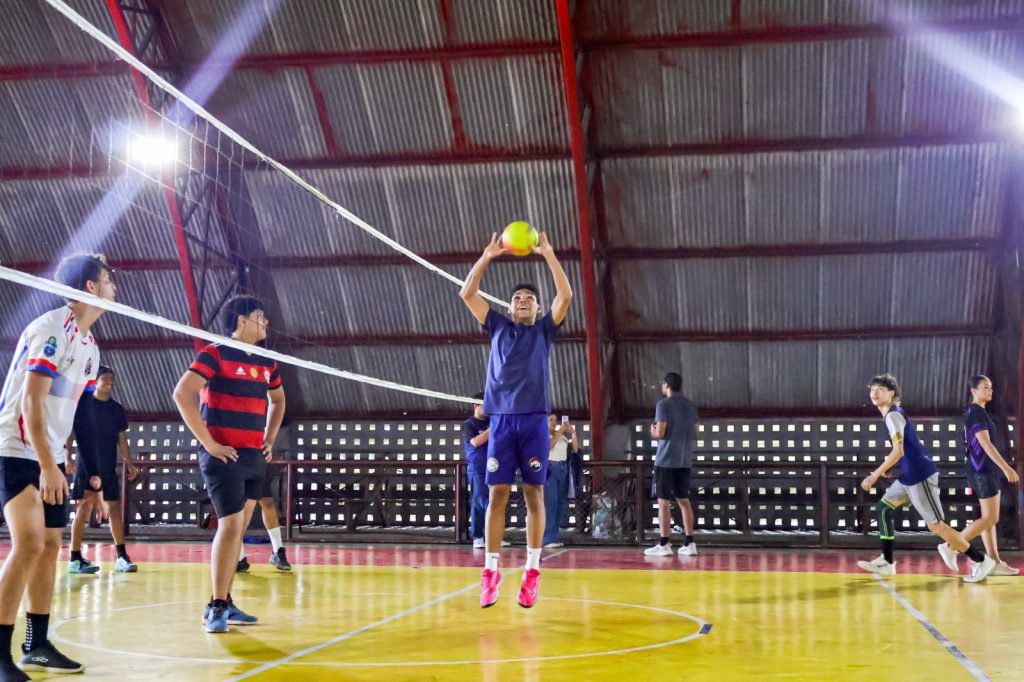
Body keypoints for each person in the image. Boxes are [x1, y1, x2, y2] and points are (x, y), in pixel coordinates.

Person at [0, 252, 115, 678]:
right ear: (90, 287)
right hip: (16, 447)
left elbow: (82, 415)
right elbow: (31, 401)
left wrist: (93, 478)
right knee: (29, 543)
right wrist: (48, 465)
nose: (114, 287)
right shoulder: (52, 328)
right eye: (108, 280)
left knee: (50, 546)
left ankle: (36, 644)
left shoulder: (91, 348)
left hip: (51, 456)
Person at [459, 230, 572, 608]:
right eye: (518, 298)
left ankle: (532, 571)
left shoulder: (544, 330)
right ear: (510, 308)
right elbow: (467, 293)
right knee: (497, 494)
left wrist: (548, 253)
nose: (523, 301)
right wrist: (487, 256)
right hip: (502, 422)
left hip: (534, 421)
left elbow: (565, 296)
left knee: (534, 494)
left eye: (530, 299)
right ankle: (490, 572)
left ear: (537, 309)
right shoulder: (497, 326)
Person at [172, 296, 286, 633]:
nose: (266, 321)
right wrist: (209, 443)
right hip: (224, 455)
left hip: (252, 455)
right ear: (241, 320)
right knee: (231, 526)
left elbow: (278, 400)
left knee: (239, 528)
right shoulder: (215, 353)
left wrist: (269, 438)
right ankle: (217, 606)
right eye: (260, 315)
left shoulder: (268, 361)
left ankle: (224, 600)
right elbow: (182, 394)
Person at [856, 373, 995, 582]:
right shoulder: (892, 414)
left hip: (920, 475)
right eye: (872, 389)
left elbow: (898, 451)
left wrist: (874, 475)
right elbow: (904, 449)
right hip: (908, 475)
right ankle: (887, 561)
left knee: (936, 526)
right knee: (883, 508)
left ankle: (981, 560)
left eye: (880, 389)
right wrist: (892, 466)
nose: (874, 393)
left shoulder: (893, 415)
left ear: (891, 394)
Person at [937, 375, 1020, 576]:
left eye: (991, 387)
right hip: (982, 470)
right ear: (973, 391)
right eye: (985, 387)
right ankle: (951, 546)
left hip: (984, 470)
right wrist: (1006, 468)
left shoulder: (978, 412)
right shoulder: (975, 412)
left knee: (988, 519)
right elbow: (985, 443)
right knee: (991, 518)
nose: (990, 390)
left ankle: (994, 562)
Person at [66, 365, 139, 574]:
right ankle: (75, 558)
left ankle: (122, 556)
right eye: (105, 378)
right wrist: (67, 456)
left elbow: (122, 438)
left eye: (111, 379)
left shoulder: (116, 409)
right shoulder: (82, 405)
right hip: (86, 464)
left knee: (114, 508)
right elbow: (70, 432)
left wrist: (129, 462)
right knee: (83, 507)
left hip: (107, 464)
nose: (109, 382)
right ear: (96, 381)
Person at [644, 373, 699, 557]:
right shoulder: (691, 406)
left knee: (663, 502)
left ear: (667, 385)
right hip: (684, 459)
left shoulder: (663, 405)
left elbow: (660, 432)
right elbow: (696, 432)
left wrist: (653, 431)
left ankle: (664, 543)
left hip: (665, 460)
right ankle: (689, 542)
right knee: (684, 501)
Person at [236, 472, 291, 573]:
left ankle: (239, 558)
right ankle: (239, 557)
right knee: (256, 503)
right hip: (247, 466)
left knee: (261, 502)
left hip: (250, 466)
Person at [542, 414, 579, 548]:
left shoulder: (561, 436)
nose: (554, 422)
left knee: (560, 502)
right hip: (550, 467)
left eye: (555, 420)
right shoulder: (543, 435)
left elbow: (575, 449)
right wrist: (561, 431)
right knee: (550, 502)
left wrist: (573, 434)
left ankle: (554, 535)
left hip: (563, 467)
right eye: (550, 420)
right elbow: (550, 446)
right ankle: (547, 538)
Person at [462, 393, 490, 549]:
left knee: (494, 501)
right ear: (476, 405)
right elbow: (476, 442)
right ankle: (478, 536)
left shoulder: (492, 421)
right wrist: (492, 430)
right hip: (478, 467)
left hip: (494, 467)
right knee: (479, 501)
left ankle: (493, 535)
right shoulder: (469, 424)